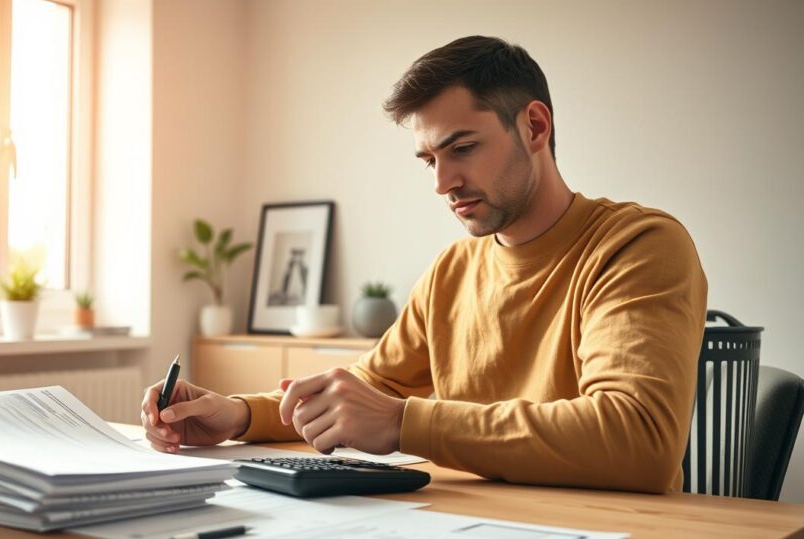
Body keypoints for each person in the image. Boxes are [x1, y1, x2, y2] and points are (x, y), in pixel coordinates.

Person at [141, 36, 707, 494]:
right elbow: (360, 390)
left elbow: (640, 440)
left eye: (462, 149)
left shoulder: (637, 245)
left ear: (535, 127)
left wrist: (403, 422)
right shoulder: (454, 270)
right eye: (429, 159)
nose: (442, 184)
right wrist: (237, 414)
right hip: (469, 531)